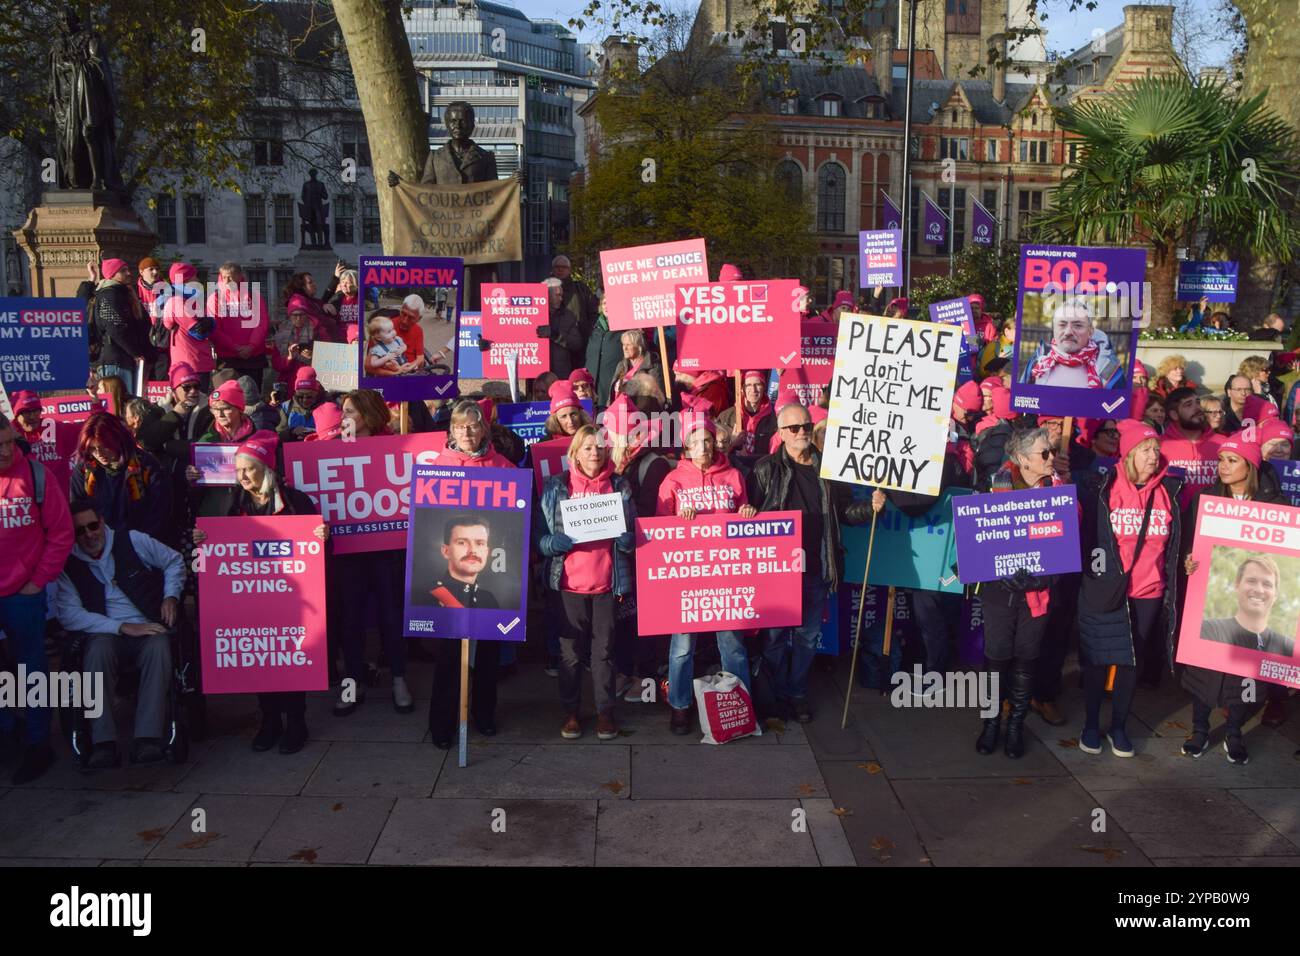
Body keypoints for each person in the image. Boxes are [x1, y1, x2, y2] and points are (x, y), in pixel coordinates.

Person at [192, 431, 327, 753]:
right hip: (252, 598)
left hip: (293, 600)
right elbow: (219, 547)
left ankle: (296, 721)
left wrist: (323, 537)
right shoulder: (233, 503)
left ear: (265, 468)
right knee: (263, 658)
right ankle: (269, 721)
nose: (242, 478)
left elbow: (315, 551)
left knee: (293, 656)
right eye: (237, 472)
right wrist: (202, 540)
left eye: (247, 470)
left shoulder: (297, 501)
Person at [747, 403, 873, 722]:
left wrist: (870, 508)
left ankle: (797, 692)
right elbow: (749, 518)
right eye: (794, 428)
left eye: (806, 425)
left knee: (806, 637)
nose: (802, 431)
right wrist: (747, 513)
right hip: (777, 573)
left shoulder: (829, 469)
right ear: (781, 434)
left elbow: (844, 513)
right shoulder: (764, 469)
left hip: (817, 566)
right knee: (774, 637)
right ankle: (774, 695)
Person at [1077, 420, 1183, 758]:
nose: (1154, 456)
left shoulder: (1171, 491)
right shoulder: (1103, 487)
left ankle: (1119, 726)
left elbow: (1180, 540)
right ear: (1129, 454)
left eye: (1156, 450)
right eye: (1146, 450)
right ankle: (1091, 725)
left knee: (1130, 662)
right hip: (1105, 589)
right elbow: (1085, 535)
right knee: (1097, 658)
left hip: (1147, 591)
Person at [55, 498, 185, 769]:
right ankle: (103, 741)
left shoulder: (134, 541)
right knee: (97, 651)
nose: (89, 535)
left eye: (92, 526)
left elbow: (174, 561)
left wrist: (170, 596)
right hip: (106, 630)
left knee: (159, 646)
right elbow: (69, 614)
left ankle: (147, 738)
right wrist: (120, 627)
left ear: (102, 522)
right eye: (80, 531)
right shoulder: (68, 565)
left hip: (147, 623)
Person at [1181, 439, 1289, 764]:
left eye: (1231, 460)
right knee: (1206, 665)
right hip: (1211, 598)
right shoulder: (1205, 499)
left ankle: (1233, 732)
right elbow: (1188, 544)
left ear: (1250, 467)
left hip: (1252, 607)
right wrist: (1188, 561)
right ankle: (1199, 731)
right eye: (1221, 460)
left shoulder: (1278, 505)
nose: (1223, 466)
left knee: (1244, 669)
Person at [655, 411, 756, 734]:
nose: (704, 446)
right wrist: (675, 520)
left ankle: (740, 704)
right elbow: (657, 532)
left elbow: (745, 516)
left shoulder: (734, 476)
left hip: (724, 577)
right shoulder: (673, 479)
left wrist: (747, 513)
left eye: (708, 440)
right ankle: (680, 706)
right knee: (682, 647)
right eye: (697, 441)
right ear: (686, 446)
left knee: (733, 645)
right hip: (686, 578)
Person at [424, 400, 517, 749]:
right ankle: (443, 722)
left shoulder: (503, 467)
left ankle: (484, 713)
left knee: (488, 651)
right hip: (449, 579)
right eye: (460, 426)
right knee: (450, 655)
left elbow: (515, 523)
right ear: (451, 431)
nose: (466, 431)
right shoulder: (436, 467)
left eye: (473, 425)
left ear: (484, 429)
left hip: (489, 574)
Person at [971, 426, 1068, 758]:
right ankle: (990, 724)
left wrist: (1043, 580)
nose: (1051, 458)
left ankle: (1015, 727)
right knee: (996, 660)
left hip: (1037, 595)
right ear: (1022, 460)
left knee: (1026, 661)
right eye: (1044, 453)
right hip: (999, 594)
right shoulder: (993, 487)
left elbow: (1066, 546)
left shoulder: (1059, 490)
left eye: (1051, 451)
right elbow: (975, 543)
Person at [538, 424, 637, 740]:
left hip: (608, 583)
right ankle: (570, 712)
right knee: (570, 654)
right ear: (575, 454)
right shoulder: (557, 486)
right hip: (567, 585)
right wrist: (551, 544)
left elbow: (634, 535)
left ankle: (605, 713)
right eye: (587, 447)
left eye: (599, 447)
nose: (594, 452)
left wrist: (626, 540)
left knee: (604, 652)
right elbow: (537, 536)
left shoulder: (619, 486)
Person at [319, 393, 412, 716]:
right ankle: (352, 682)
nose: (343, 416)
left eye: (349, 411)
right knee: (351, 619)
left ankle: (399, 678)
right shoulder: (334, 448)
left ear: (368, 415)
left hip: (387, 549)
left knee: (391, 615)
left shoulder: (394, 446)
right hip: (348, 551)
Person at [0, 412, 75, 783]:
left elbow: (61, 533)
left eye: (7, 443)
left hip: (24, 593)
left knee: (31, 669)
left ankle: (37, 742)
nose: (3, 452)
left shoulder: (36, 475)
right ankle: (7, 730)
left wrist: (38, 581)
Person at [70, 411, 173, 545]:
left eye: (104, 447)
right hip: (99, 544)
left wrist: (137, 542)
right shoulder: (84, 470)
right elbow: (77, 510)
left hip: (142, 543)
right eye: (92, 449)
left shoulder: (146, 465)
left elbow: (160, 512)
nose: (99, 454)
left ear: (118, 439)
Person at [1025, 298, 1121, 389]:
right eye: (1062, 325)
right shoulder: (1037, 362)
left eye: (1078, 325)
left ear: (1090, 331)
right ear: (1054, 328)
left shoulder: (1109, 368)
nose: (1068, 332)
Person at [92, 258, 150, 394]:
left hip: (121, 358)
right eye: (123, 271)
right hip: (115, 359)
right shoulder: (109, 294)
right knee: (118, 400)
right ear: (112, 274)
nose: (129, 273)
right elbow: (115, 328)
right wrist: (134, 352)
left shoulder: (120, 293)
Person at [208, 262, 270, 386]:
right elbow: (214, 328)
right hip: (227, 357)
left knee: (252, 395)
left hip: (253, 356)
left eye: (231, 276)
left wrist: (251, 346)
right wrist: (234, 347)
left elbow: (262, 324)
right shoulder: (214, 298)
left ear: (240, 276)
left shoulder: (254, 296)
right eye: (224, 277)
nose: (227, 280)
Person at [161, 262, 215, 391]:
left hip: (198, 360)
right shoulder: (177, 301)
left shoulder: (191, 300)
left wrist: (209, 323)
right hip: (190, 363)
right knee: (194, 403)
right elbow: (198, 331)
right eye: (194, 277)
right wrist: (211, 323)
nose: (197, 280)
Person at [717, 370, 777, 463]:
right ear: (742, 389)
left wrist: (751, 457)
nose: (753, 389)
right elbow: (716, 453)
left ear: (764, 387)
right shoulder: (726, 417)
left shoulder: (774, 418)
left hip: (762, 471)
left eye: (757, 384)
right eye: (748, 385)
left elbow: (776, 454)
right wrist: (732, 443)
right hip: (733, 468)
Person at [610, 329, 663, 403]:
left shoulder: (653, 367)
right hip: (617, 411)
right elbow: (611, 395)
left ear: (639, 347)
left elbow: (658, 399)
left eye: (628, 345)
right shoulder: (621, 365)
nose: (624, 348)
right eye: (623, 344)